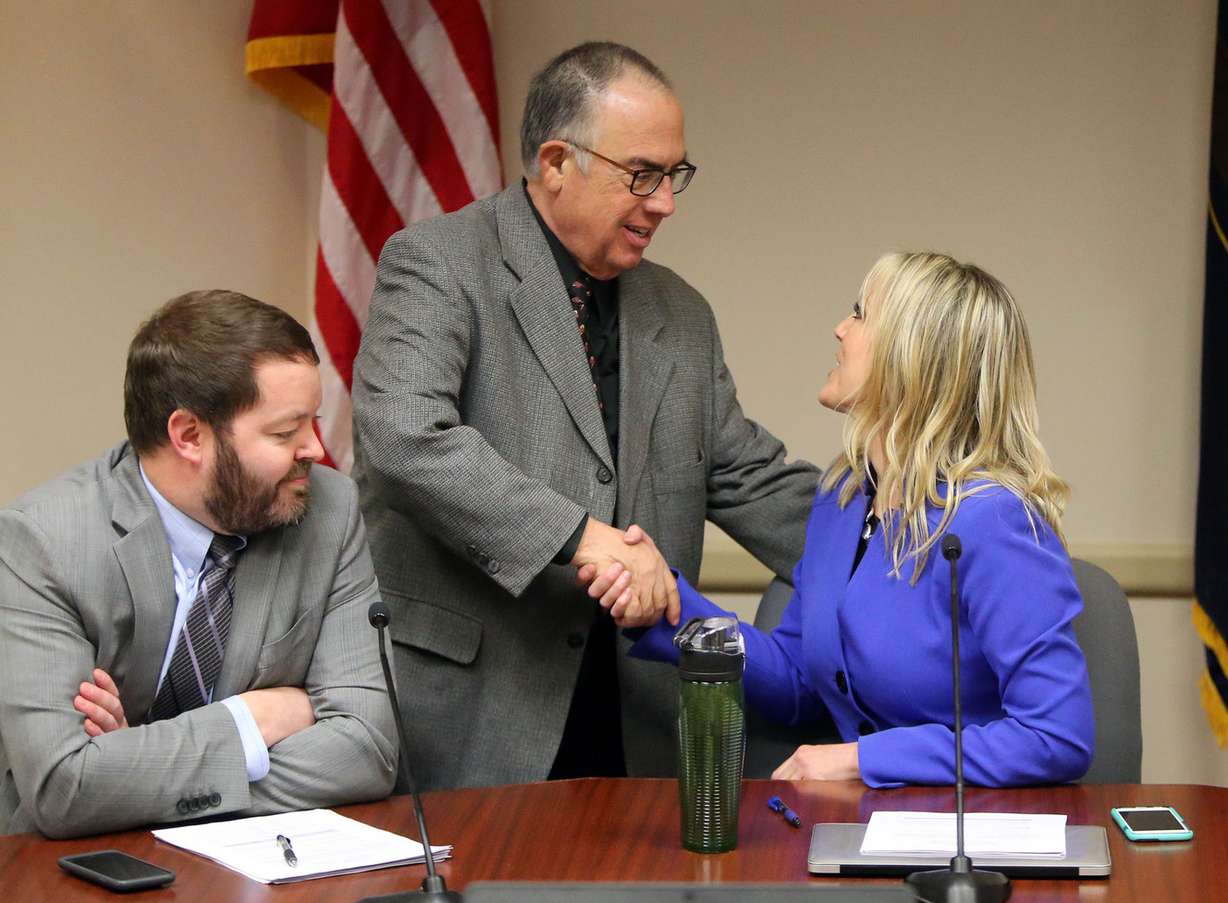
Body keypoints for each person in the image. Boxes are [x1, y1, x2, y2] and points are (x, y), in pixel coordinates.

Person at [351, 41, 818, 790]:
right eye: (643, 175)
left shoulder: (682, 313)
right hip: (478, 719)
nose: (665, 201)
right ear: (557, 162)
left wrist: (911, 540)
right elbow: (406, 440)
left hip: (637, 723)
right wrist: (582, 537)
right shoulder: (437, 263)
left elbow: (749, 477)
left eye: (675, 175)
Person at [624, 252, 1095, 787]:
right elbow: (803, 679)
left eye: (859, 313)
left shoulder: (994, 519)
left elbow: (1056, 737)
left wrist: (860, 759)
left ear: (910, 357)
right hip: (867, 830)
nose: (840, 329)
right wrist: (671, 609)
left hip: (973, 842)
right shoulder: (843, 500)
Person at [0, 291, 397, 838]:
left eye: (313, 422)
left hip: (261, 865)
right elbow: (64, 789)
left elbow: (368, 749)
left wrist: (131, 767)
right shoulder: (43, 543)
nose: (314, 449)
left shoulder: (327, 511)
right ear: (189, 436)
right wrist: (256, 720)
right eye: (285, 432)